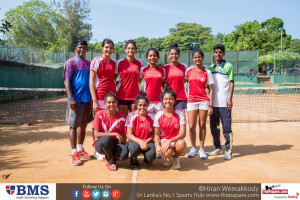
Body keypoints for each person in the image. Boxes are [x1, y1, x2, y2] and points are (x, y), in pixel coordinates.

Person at [62, 40, 93, 166]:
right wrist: (71, 98)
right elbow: (66, 81)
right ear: (75, 48)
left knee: (84, 125)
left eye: (84, 48)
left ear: (87, 50)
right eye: (80, 47)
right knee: (74, 126)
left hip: (87, 100)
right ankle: (74, 153)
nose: (82, 50)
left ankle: (80, 149)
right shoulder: (71, 62)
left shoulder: (89, 64)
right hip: (76, 100)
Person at [185, 48, 214, 159]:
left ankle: (201, 148)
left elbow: (211, 89)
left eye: (199, 57)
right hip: (191, 101)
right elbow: (182, 83)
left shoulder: (207, 72)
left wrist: (210, 105)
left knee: (202, 125)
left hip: (203, 101)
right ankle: (193, 148)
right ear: (193, 58)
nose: (197, 59)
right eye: (195, 57)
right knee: (191, 126)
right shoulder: (189, 70)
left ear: (202, 58)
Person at [208, 44, 234, 160]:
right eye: (216, 52)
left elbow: (231, 83)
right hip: (213, 104)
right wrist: (209, 103)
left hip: (225, 104)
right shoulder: (210, 68)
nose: (218, 54)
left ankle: (228, 150)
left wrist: (230, 98)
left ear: (223, 53)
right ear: (213, 54)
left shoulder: (229, 66)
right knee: (214, 127)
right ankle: (217, 148)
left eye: (220, 52)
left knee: (226, 128)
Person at [92, 92, 128, 171]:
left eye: (113, 102)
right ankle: (111, 161)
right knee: (106, 139)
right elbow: (96, 134)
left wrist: (124, 145)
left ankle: (108, 154)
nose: (111, 104)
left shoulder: (122, 118)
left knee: (124, 155)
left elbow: (125, 134)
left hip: (115, 143)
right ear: (105, 104)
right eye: (109, 102)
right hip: (101, 143)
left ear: (117, 103)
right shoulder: (99, 114)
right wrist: (114, 133)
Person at [154, 87, 187, 170]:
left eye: (170, 99)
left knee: (181, 145)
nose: (168, 101)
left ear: (174, 100)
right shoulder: (158, 115)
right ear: (162, 101)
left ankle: (176, 158)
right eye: (166, 99)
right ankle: (167, 157)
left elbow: (183, 134)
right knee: (167, 153)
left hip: (176, 140)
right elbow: (157, 134)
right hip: (164, 139)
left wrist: (170, 141)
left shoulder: (180, 113)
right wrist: (157, 145)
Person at [126, 91, 156, 168]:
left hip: (148, 141)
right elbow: (129, 135)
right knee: (134, 149)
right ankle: (133, 159)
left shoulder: (153, 116)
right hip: (135, 141)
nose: (142, 107)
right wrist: (140, 142)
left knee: (151, 156)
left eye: (144, 105)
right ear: (137, 105)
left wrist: (145, 142)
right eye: (140, 105)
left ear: (148, 105)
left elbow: (153, 134)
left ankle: (147, 159)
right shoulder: (131, 116)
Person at [115, 40, 143, 117]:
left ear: (136, 50)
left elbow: (140, 79)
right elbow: (114, 78)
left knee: (133, 119)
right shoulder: (119, 62)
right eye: (129, 48)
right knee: (123, 120)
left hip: (135, 96)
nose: (130, 50)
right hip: (121, 95)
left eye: (133, 48)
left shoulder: (140, 62)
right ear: (125, 50)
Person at [89, 38, 117, 112]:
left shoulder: (114, 62)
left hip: (112, 95)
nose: (108, 49)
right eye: (106, 47)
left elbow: (113, 77)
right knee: (99, 119)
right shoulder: (96, 60)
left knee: (111, 119)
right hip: (99, 95)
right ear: (102, 48)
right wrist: (95, 101)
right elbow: (91, 81)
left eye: (111, 48)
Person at [140, 48, 165, 113]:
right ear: (147, 57)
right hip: (147, 101)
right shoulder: (143, 69)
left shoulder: (162, 70)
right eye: (150, 56)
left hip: (159, 102)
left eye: (154, 55)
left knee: (159, 122)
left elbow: (163, 84)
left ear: (158, 57)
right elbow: (138, 82)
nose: (152, 57)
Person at [164, 43, 188, 110]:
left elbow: (185, 80)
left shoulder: (184, 66)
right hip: (168, 98)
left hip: (181, 98)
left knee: (180, 118)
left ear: (179, 55)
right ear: (168, 55)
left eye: (176, 54)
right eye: (171, 54)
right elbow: (162, 82)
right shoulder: (165, 68)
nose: (174, 56)